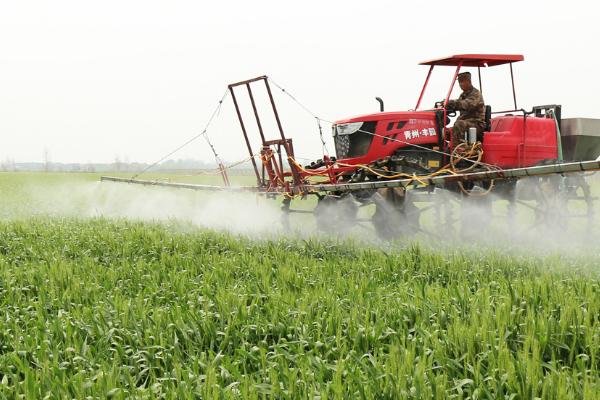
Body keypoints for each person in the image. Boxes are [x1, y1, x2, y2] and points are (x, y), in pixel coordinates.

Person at [447, 71, 485, 146]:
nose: (461, 84)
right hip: (466, 123)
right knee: (444, 131)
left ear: (469, 81)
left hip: (477, 124)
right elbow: (457, 103)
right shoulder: (463, 95)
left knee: (459, 125)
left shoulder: (476, 94)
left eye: (463, 82)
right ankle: (444, 151)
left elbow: (466, 104)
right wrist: (446, 105)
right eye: (459, 82)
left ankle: (459, 151)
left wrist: (452, 103)